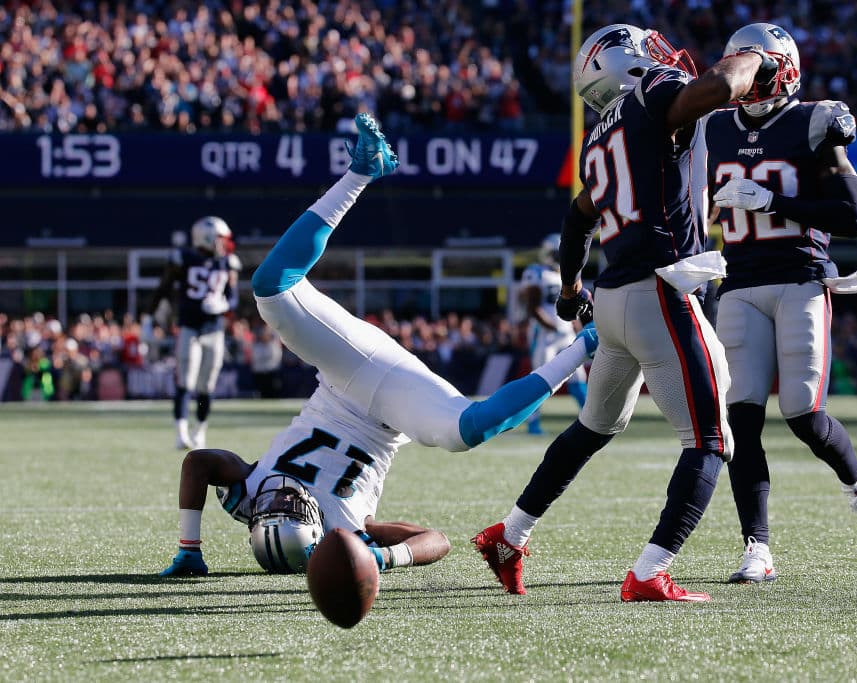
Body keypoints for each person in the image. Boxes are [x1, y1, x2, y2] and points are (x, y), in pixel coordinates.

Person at [160, 113, 598, 578]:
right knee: (467, 430)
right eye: (289, 510)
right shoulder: (347, 531)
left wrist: (191, 548)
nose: (278, 499)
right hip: (394, 404)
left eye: (268, 509)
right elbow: (436, 541)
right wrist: (380, 557)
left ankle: (364, 169)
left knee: (271, 287)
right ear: (316, 534)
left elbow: (200, 461)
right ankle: (587, 343)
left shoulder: (253, 497)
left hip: (343, 373)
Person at [474, 23, 778, 602]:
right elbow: (716, 87)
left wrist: (570, 288)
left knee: (593, 427)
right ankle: (649, 572)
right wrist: (752, 57)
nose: (660, 56)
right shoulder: (653, 92)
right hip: (660, 289)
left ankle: (509, 535)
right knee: (712, 440)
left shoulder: (597, 137)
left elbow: (577, 215)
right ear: (625, 63)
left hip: (612, 301)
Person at [700, 23, 857, 583]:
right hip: (738, 282)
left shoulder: (815, 119)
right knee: (741, 419)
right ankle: (756, 548)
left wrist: (774, 201)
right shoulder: (713, 126)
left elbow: (852, 217)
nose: (746, 79)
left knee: (805, 417)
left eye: (756, 68)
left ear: (781, 68)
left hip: (801, 278)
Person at [145, 215, 241, 450]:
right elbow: (163, 289)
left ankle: (200, 432)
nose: (224, 244)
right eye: (220, 238)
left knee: (206, 387)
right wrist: (150, 318)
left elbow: (234, 297)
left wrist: (224, 305)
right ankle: (181, 432)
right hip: (189, 328)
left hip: (214, 331)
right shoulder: (183, 259)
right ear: (206, 237)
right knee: (185, 382)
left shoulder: (228, 262)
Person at [520, 233, 588, 435]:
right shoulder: (536, 273)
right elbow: (532, 308)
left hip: (565, 333)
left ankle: (592, 423)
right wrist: (551, 326)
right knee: (540, 380)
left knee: (579, 378)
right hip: (545, 335)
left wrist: (577, 328)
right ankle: (533, 424)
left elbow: (572, 307)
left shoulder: (569, 274)